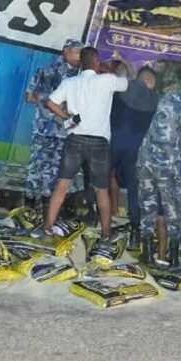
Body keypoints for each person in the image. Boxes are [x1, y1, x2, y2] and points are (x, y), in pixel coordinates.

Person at [42, 47, 128, 239]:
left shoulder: (70, 82)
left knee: (62, 185)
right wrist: (124, 62)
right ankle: (106, 234)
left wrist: (68, 117)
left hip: (75, 139)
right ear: (97, 63)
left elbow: (50, 102)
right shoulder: (107, 80)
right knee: (101, 191)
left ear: (80, 62)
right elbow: (126, 81)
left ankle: (47, 227)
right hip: (99, 143)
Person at [135, 75, 181, 266]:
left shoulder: (169, 96)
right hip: (167, 163)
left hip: (145, 158)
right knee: (173, 209)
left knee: (148, 205)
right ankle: (176, 257)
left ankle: (147, 253)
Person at [24, 39, 82, 211]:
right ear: (65, 50)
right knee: (47, 170)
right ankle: (39, 208)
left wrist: (43, 103)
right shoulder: (63, 74)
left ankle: (35, 207)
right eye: (76, 52)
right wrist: (63, 113)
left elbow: (30, 97)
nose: (79, 57)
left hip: (50, 130)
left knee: (43, 169)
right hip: (55, 130)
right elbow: (40, 98)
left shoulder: (47, 70)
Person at [108, 65, 160, 251]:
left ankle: (99, 223)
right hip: (137, 152)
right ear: (150, 81)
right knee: (134, 192)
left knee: (100, 182)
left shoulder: (123, 89)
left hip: (114, 143)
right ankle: (135, 231)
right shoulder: (155, 99)